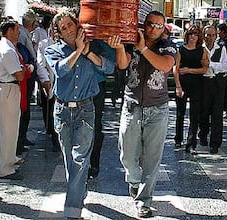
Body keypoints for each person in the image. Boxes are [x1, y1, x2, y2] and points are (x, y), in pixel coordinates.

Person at [45, 10, 114, 219]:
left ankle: (72, 210)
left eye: (69, 24)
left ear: (77, 24)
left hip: (86, 110)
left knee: (79, 159)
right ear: (58, 32)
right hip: (62, 111)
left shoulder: (94, 47)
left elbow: (109, 67)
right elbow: (61, 70)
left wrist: (87, 53)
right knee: (69, 159)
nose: (67, 30)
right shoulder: (53, 50)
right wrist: (78, 52)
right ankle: (79, 189)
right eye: (63, 27)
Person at [108, 11, 176, 218]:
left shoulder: (169, 45)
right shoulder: (132, 41)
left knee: (152, 159)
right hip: (132, 105)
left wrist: (143, 48)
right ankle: (134, 181)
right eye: (150, 24)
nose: (154, 29)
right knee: (127, 154)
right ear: (144, 25)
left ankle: (144, 201)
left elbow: (165, 65)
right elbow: (122, 64)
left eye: (158, 25)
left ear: (163, 27)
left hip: (158, 108)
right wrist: (120, 47)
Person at [0, 21, 25, 180]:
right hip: (7, 88)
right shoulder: (7, 49)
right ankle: (5, 168)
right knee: (7, 130)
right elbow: (19, 75)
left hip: (5, 88)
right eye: (17, 30)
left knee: (10, 129)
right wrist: (26, 68)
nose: (19, 33)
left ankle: (9, 160)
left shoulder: (3, 46)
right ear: (9, 31)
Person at [173, 26, 208, 151]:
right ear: (187, 36)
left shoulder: (202, 51)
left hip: (197, 84)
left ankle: (191, 142)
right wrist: (178, 86)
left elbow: (205, 68)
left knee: (195, 114)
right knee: (180, 113)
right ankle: (178, 139)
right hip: (182, 83)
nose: (193, 36)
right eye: (191, 34)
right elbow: (175, 69)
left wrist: (189, 70)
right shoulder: (181, 50)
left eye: (196, 34)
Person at [198, 25, 227, 154]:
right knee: (203, 112)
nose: (210, 38)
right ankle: (203, 135)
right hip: (203, 83)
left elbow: (225, 66)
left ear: (216, 36)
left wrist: (211, 64)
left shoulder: (221, 48)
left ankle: (215, 143)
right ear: (204, 35)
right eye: (207, 35)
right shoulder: (200, 49)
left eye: (212, 35)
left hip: (217, 84)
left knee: (217, 114)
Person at [88, 39, 115, 179]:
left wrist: (90, 54)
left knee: (95, 127)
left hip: (96, 86)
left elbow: (110, 67)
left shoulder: (100, 41)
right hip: (75, 88)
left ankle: (93, 164)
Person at [36, 23, 60, 152]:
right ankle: (54, 138)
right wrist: (45, 80)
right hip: (50, 82)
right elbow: (40, 64)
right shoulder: (44, 44)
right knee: (51, 112)